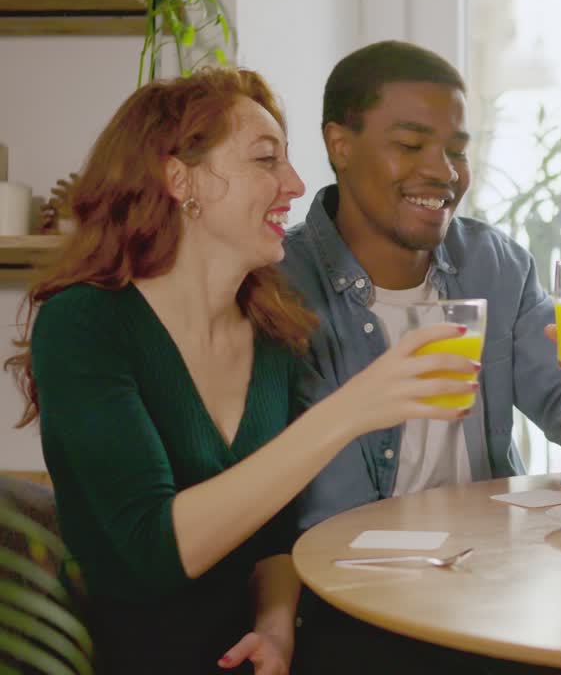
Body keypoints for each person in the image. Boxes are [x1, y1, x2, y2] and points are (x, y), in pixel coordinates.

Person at [7, 69, 482, 674]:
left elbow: (274, 540)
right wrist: (350, 411)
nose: (296, 184)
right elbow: (151, 552)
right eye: (265, 159)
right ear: (180, 179)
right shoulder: (85, 325)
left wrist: (275, 629)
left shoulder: (270, 330)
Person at [279, 41, 561, 673]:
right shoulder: (280, 283)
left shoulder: (494, 264)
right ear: (340, 145)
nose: (443, 172)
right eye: (411, 144)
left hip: (487, 584)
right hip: (350, 599)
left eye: (457, 150)